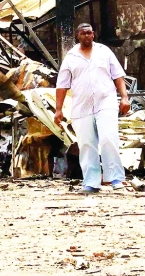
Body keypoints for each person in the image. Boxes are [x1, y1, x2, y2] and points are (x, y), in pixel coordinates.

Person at [54, 23, 131, 192]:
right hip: (82, 107)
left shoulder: (104, 51)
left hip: (106, 102)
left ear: (93, 35)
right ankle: (91, 182)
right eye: (83, 33)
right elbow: (62, 85)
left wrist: (124, 97)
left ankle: (116, 178)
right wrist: (58, 109)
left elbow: (118, 76)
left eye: (89, 33)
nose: (87, 36)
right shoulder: (71, 57)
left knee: (108, 138)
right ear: (78, 36)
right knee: (87, 144)